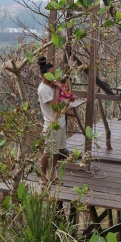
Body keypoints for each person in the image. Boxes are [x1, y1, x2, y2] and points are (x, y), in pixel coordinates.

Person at [37, 57, 66, 187]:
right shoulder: (43, 89)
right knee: (47, 151)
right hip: (51, 124)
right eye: (51, 73)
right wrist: (58, 90)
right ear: (43, 75)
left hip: (61, 122)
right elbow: (55, 105)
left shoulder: (52, 84)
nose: (54, 75)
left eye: (54, 73)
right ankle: (42, 177)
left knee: (57, 151)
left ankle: (52, 174)